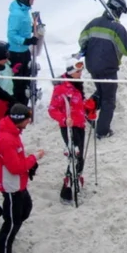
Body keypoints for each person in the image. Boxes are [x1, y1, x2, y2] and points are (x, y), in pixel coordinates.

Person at [78, 0, 127, 139]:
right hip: (108, 68)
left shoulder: (93, 23)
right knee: (108, 99)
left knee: (101, 90)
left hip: (92, 66)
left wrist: (90, 48)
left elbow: (82, 39)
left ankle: (87, 109)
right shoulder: (117, 28)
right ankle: (102, 131)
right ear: (119, 10)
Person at [0, 104, 44, 253]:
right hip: (12, 186)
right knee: (12, 221)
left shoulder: (12, 132)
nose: (29, 122)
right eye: (28, 119)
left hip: (19, 183)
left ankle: (11, 235)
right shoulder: (7, 139)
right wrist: (34, 158)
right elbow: (15, 167)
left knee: (25, 209)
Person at [48, 57, 88, 203]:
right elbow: (52, 109)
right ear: (71, 71)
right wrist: (64, 119)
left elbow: (78, 104)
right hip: (68, 127)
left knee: (79, 157)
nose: (80, 73)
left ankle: (76, 180)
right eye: (78, 71)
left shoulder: (77, 84)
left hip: (80, 125)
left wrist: (87, 111)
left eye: (81, 70)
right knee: (75, 157)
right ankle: (66, 191)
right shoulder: (61, 87)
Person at [7, 0, 43, 105]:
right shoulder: (16, 14)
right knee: (19, 83)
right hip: (16, 53)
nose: (34, 0)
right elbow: (11, 34)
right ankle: (18, 105)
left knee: (28, 77)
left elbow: (23, 28)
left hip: (24, 51)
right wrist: (26, 41)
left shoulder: (24, 10)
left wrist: (34, 30)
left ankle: (25, 102)